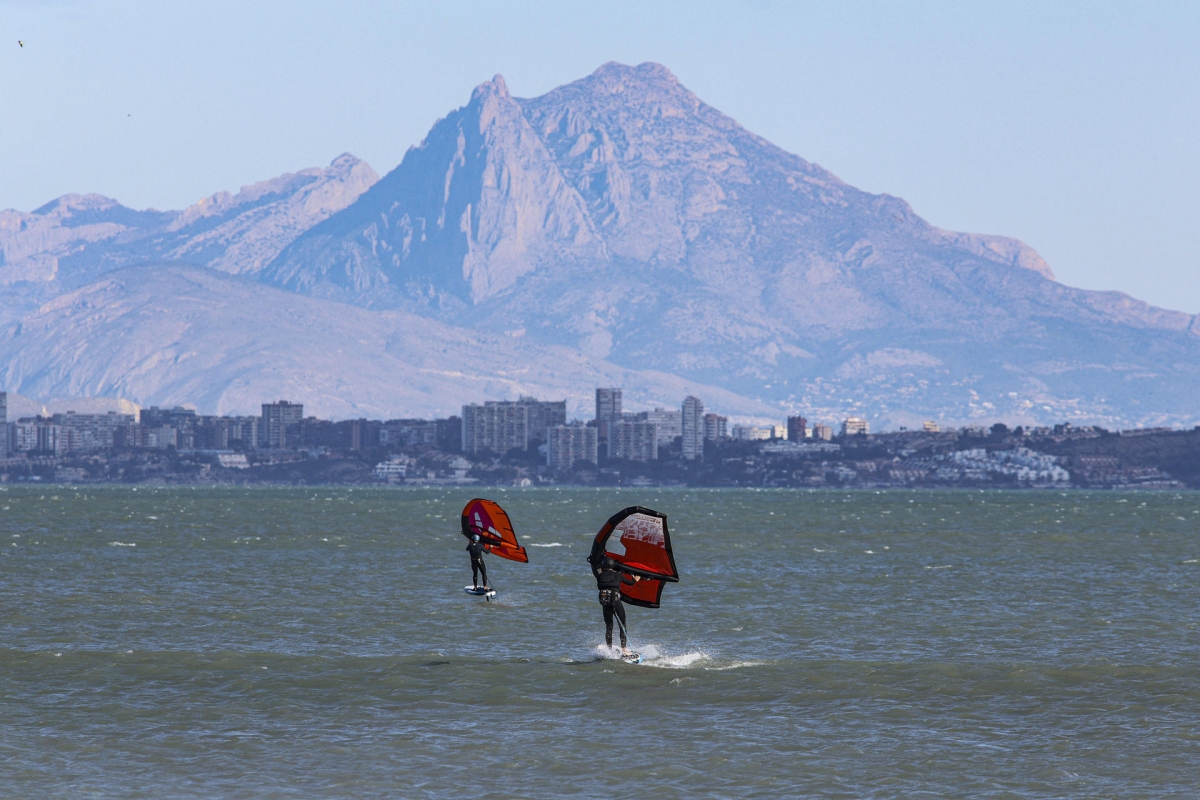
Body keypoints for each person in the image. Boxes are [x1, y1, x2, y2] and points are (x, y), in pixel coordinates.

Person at [593, 556, 641, 655]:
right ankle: (624, 649)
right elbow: (630, 583)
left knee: (609, 626)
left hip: (606, 603)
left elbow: (595, 568)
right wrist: (635, 579)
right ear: (613, 566)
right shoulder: (618, 575)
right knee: (622, 624)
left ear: (603, 566)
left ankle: (609, 650)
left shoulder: (599, 576)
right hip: (616, 602)